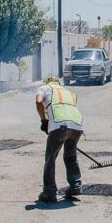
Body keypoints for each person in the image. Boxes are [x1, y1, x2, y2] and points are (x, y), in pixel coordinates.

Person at [35, 76, 84, 204]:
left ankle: (49, 192)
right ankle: (75, 186)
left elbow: (38, 101)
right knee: (71, 157)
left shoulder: (44, 88)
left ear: (47, 82)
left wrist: (44, 121)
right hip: (77, 125)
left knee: (50, 159)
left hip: (59, 125)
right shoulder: (68, 91)